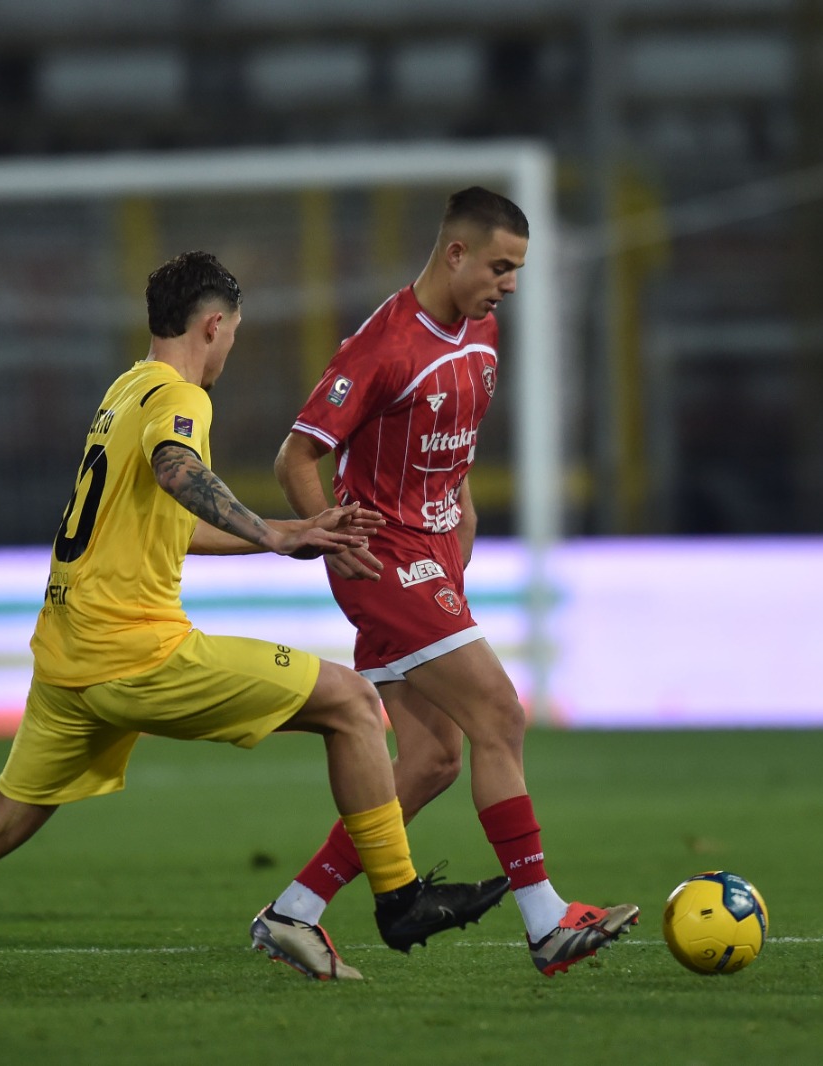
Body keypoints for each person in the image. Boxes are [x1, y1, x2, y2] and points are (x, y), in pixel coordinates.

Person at [0, 251, 506, 1000]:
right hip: (136, 653)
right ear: (213, 325)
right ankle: (400, 899)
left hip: (67, 662)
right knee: (352, 703)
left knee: (1, 822)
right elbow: (178, 470)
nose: (230, 348)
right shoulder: (180, 398)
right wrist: (274, 533)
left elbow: (167, 525)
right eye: (234, 334)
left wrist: (287, 531)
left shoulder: (123, 391)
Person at [255, 188, 639, 979]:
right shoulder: (381, 346)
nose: (511, 283)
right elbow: (295, 456)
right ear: (456, 252)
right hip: (385, 561)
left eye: (518, 268)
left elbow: (445, 443)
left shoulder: (484, 332)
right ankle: (545, 921)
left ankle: (296, 909)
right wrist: (326, 534)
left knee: (432, 760)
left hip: (436, 562)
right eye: (501, 265)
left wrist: (458, 514)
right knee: (502, 713)